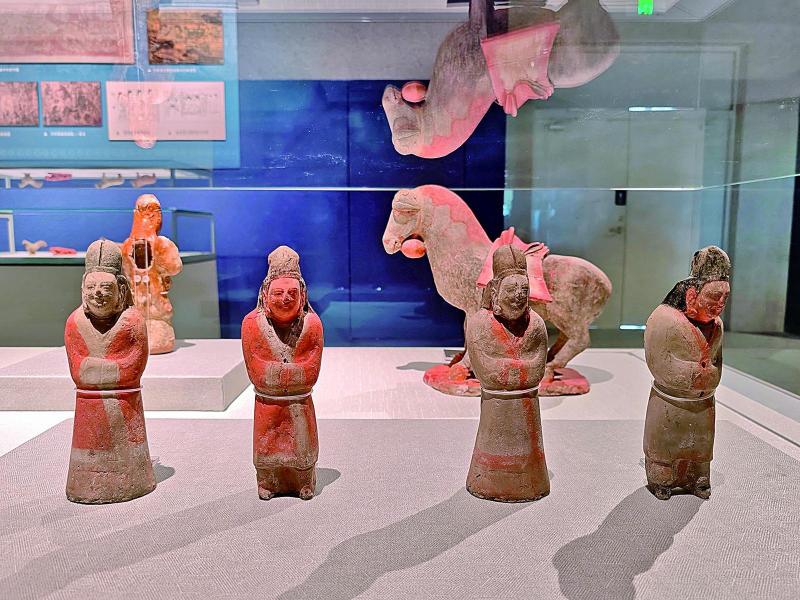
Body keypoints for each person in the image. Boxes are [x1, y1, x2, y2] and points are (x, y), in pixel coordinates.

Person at [65, 240, 155, 503]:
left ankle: (132, 482)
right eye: (91, 287)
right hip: (89, 411)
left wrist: (94, 368)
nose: (98, 294)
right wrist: (112, 368)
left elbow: (133, 369)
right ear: (82, 289)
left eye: (106, 287)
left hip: (124, 406)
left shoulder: (132, 322)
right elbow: (78, 372)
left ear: (121, 288)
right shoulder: (75, 323)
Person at [643, 246, 731, 500]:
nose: (720, 304)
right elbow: (658, 361)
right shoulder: (664, 319)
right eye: (714, 297)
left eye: (725, 298)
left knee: (701, 445)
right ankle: (661, 479)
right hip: (671, 401)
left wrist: (711, 376)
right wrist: (694, 374)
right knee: (665, 445)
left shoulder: (717, 325)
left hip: (703, 402)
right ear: (692, 295)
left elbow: (717, 359)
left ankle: (698, 478)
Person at [465, 244, 550, 501]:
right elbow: (487, 373)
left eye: (524, 290)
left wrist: (508, 369)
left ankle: (528, 484)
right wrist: (520, 369)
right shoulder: (479, 324)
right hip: (496, 409)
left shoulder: (536, 324)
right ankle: (489, 482)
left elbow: (537, 371)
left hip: (526, 408)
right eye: (511, 289)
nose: (518, 296)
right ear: (495, 292)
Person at [241, 246, 324, 500]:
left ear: (303, 295)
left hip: (299, 404)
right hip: (268, 405)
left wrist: (277, 374)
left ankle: (304, 481)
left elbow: (311, 373)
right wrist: (292, 374)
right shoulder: (251, 324)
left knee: (301, 448)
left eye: (292, 293)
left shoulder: (312, 325)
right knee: (268, 446)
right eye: (278, 293)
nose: (285, 298)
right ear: (265, 295)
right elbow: (257, 373)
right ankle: (267, 481)